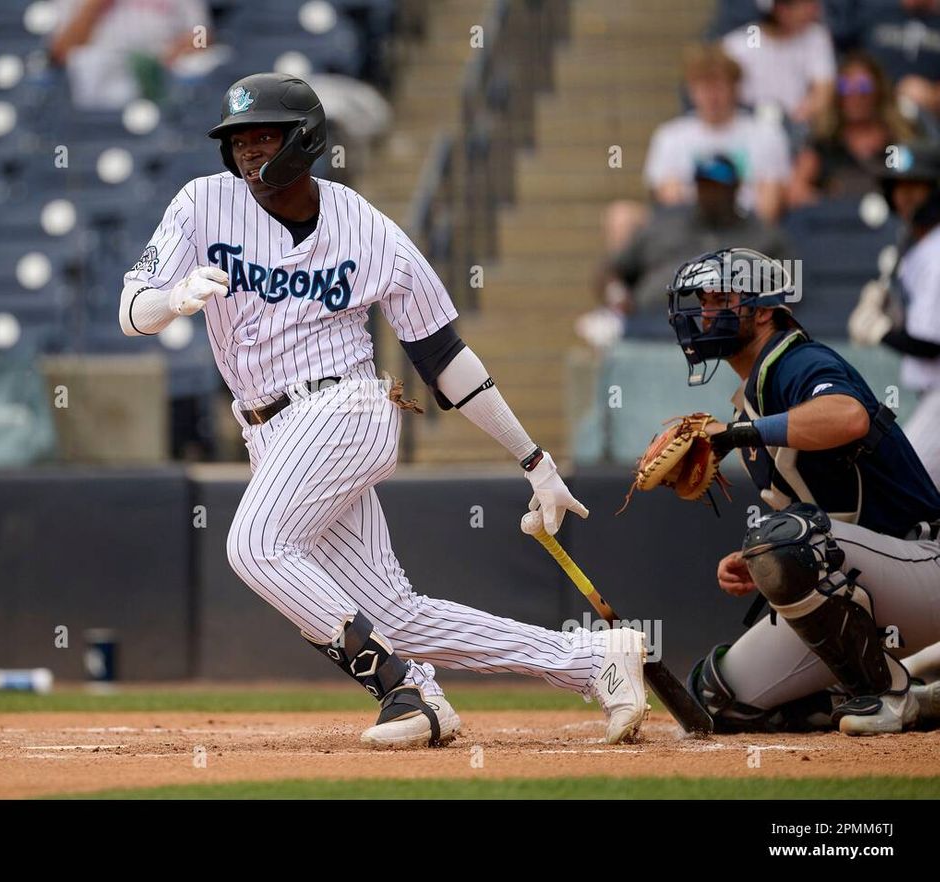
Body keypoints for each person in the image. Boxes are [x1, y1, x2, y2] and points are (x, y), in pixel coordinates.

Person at [117, 73, 649, 749]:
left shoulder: (367, 229)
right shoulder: (201, 203)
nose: (248, 152)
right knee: (396, 614)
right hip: (268, 431)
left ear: (302, 140)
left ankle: (403, 692)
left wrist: (534, 459)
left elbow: (445, 359)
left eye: (263, 137)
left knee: (255, 545)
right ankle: (592, 662)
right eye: (238, 140)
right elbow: (132, 308)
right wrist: (173, 299)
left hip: (346, 406)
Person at [664, 246, 940, 735]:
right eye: (703, 300)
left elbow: (849, 415)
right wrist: (761, 562)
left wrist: (740, 436)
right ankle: (910, 701)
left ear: (764, 309)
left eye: (722, 298)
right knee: (716, 699)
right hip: (877, 582)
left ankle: (886, 695)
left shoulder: (797, 361)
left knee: (787, 539)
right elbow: (823, 517)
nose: (706, 312)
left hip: (925, 561)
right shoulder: (755, 394)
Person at [607, 44, 792, 256]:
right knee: (620, 216)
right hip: (687, 230)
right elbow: (669, 199)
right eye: (704, 87)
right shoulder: (671, 136)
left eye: (718, 86)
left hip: (743, 231)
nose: (712, 95)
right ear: (691, 90)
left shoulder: (765, 134)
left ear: (734, 87)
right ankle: (626, 284)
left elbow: (769, 204)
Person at [586, 154, 790, 346]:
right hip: (650, 324)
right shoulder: (663, 226)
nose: (709, 194)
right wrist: (617, 295)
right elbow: (610, 269)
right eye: (703, 185)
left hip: (729, 334)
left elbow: (790, 289)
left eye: (717, 186)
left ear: (735, 187)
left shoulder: (763, 236)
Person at [849, 140, 940, 486]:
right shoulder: (919, 245)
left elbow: (929, 345)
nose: (905, 197)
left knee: (901, 484)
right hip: (931, 395)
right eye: (900, 188)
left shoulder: (935, 253)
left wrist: (881, 330)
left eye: (916, 188)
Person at [787, 52, 918, 206]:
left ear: (879, 91)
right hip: (837, 225)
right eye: (845, 86)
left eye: (863, 87)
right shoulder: (825, 143)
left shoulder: (898, 141)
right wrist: (833, 204)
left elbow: (917, 193)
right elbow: (794, 191)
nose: (853, 94)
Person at [50, 0, 211, 110]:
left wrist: (170, 54)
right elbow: (61, 51)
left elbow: (202, 35)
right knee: (93, 63)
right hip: (102, 83)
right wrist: (95, 5)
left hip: (163, 73)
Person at [721, 0, 836, 125]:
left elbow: (823, 91)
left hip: (797, 125)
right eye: (805, 4)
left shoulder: (815, 36)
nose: (814, 10)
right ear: (781, 9)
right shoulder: (741, 42)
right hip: (748, 126)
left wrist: (794, 121)